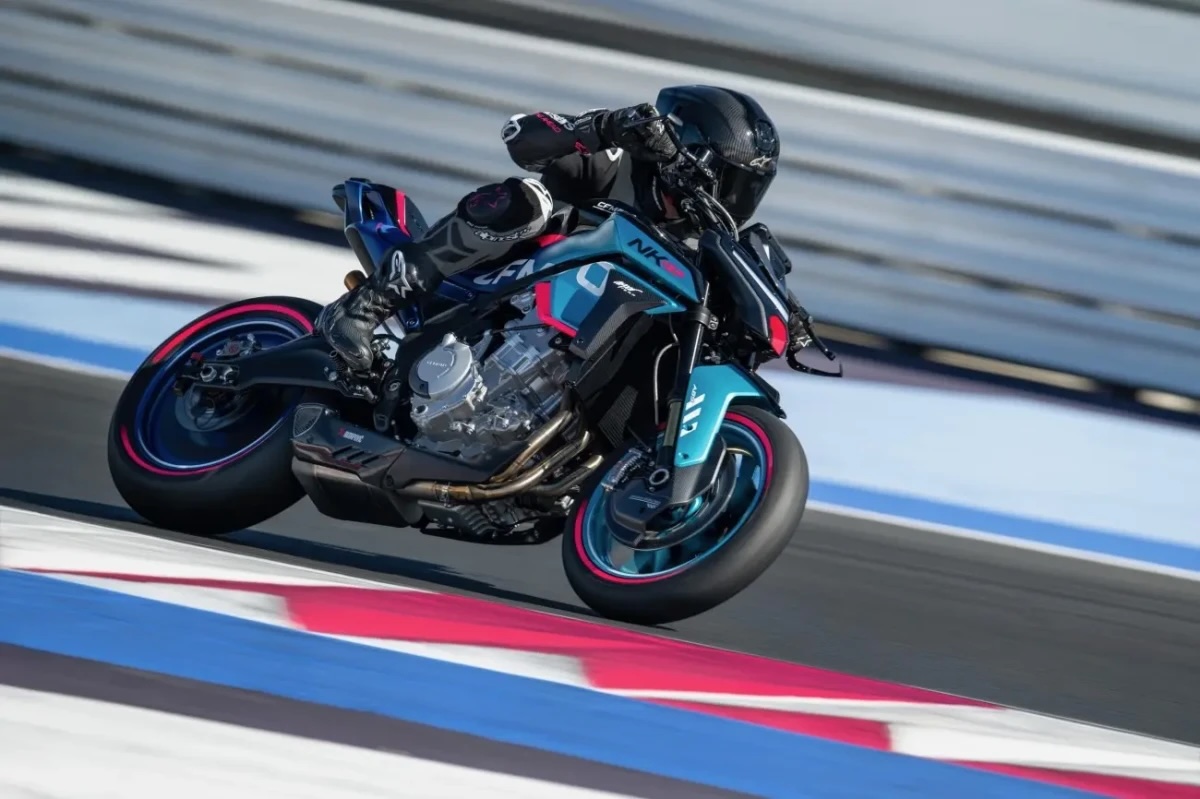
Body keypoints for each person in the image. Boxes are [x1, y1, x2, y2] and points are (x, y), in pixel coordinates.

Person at [317, 85, 784, 372]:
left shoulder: (696, 247)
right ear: (691, 152)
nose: (733, 197)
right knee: (529, 201)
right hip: (496, 284)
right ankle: (364, 307)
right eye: (728, 180)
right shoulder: (620, 161)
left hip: (563, 350)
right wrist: (606, 127)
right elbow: (518, 135)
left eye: (747, 187)